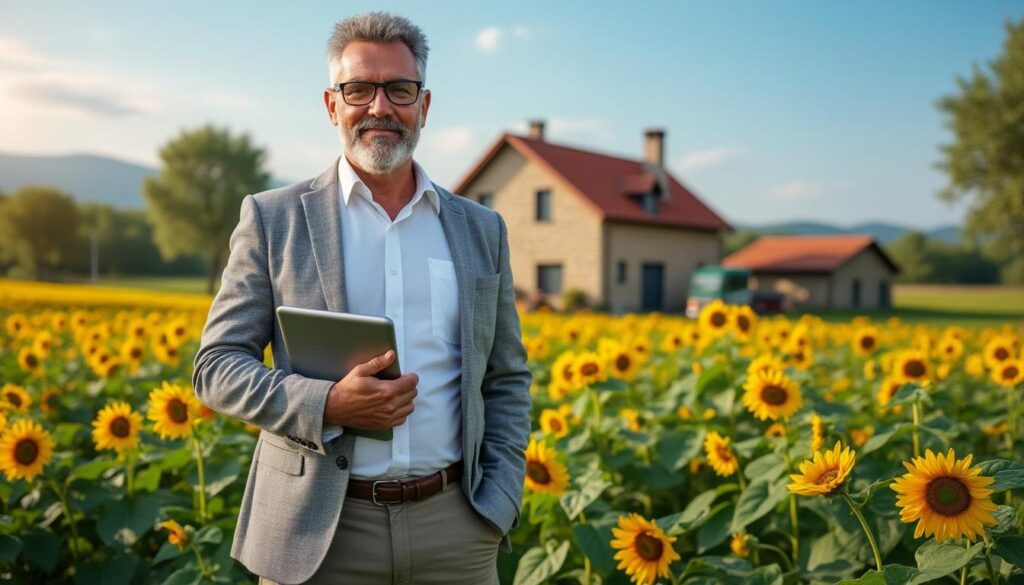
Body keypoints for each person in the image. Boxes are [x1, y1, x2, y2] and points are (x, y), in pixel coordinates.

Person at [191, 12, 532, 585]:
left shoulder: (482, 229)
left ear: (424, 107)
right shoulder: (274, 219)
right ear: (332, 105)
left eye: (400, 89)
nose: (380, 107)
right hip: (317, 534)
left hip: (457, 529)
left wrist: (499, 502)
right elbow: (215, 368)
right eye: (359, 90)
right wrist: (326, 405)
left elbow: (505, 378)